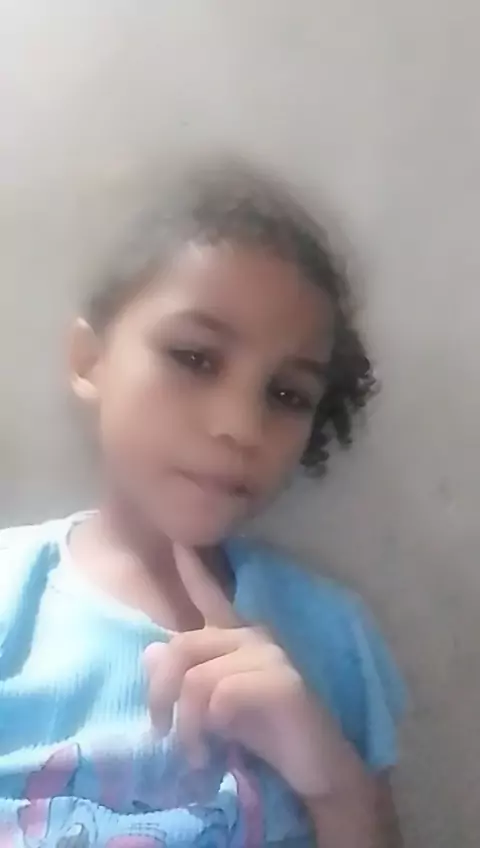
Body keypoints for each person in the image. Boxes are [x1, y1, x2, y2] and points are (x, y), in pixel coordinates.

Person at [0, 163, 404, 847]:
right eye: (194, 358)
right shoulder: (12, 596)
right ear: (90, 361)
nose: (240, 426)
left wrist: (332, 781)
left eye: (287, 395)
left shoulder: (332, 639)